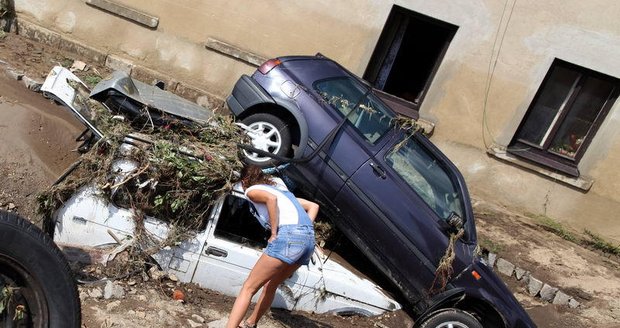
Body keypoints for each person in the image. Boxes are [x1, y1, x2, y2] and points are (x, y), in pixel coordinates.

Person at [226, 165, 319, 328]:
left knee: (248, 288)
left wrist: (274, 232)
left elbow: (271, 200)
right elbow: (314, 206)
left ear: (244, 181)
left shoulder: (251, 190)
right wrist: (302, 232)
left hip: (287, 236)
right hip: (308, 241)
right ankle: (250, 323)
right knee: (271, 285)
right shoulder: (282, 190)